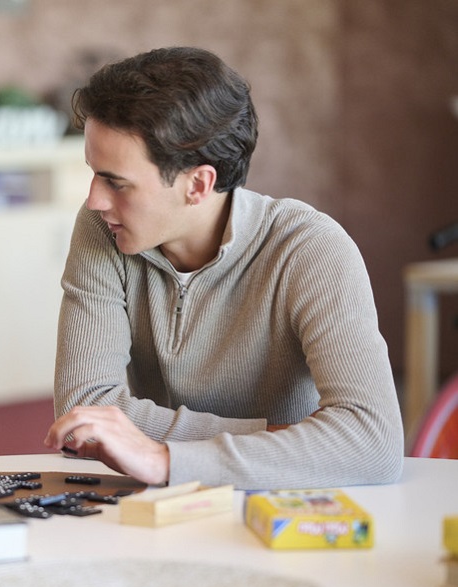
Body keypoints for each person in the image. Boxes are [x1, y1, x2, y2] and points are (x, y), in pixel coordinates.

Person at [43, 47, 404, 490]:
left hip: (291, 506)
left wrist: (167, 459)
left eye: (116, 183)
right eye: (94, 174)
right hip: (161, 509)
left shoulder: (310, 248)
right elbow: (84, 410)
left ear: (198, 184)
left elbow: (372, 441)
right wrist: (287, 439)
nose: (94, 200)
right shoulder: (102, 228)